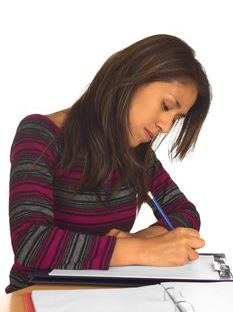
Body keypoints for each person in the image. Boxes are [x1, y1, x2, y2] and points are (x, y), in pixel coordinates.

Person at [6, 34, 211, 293]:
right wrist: (141, 250)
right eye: (166, 105)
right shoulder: (41, 135)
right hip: (38, 298)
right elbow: (31, 243)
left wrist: (143, 239)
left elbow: (185, 213)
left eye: (176, 118)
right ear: (133, 77)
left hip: (107, 298)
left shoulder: (138, 155)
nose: (166, 126)